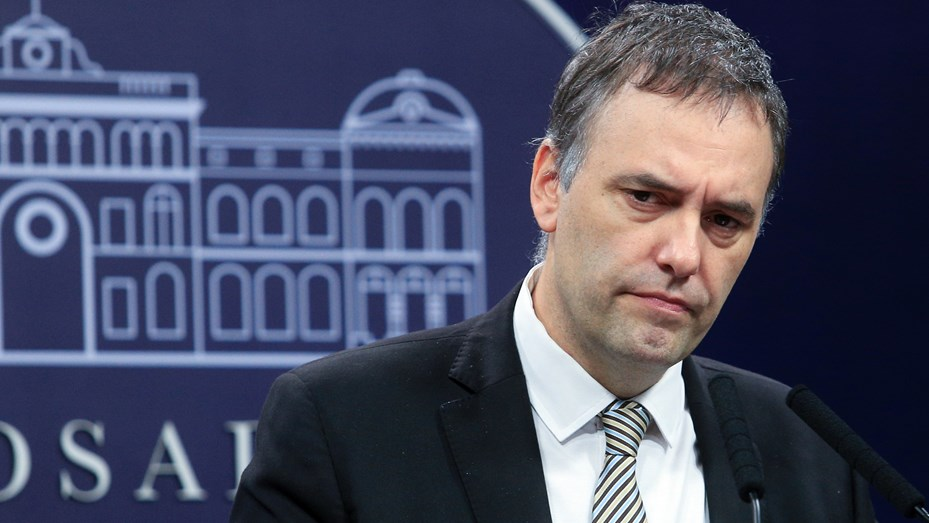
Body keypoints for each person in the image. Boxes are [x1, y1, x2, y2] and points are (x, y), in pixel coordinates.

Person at [231, 3, 875, 522]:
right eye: (645, 198)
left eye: (724, 221)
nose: (683, 255)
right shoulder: (344, 426)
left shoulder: (811, 459)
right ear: (549, 186)